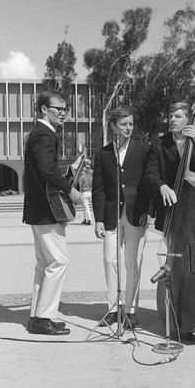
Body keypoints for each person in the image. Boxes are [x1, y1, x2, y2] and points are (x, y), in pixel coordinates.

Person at [23, 91, 81, 336]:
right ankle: (43, 317)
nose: (63, 113)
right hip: (47, 209)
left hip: (38, 208)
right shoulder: (45, 135)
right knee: (59, 261)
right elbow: (47, 170)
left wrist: (70, 169)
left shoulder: (38, 134)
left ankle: (38, 315)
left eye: (65, 109)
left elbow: (43, 170)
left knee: (44, 263)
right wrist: (71, 189)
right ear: (44, 109)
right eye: (59, 108)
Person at [92, 107, 151, 329]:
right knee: (110, 260)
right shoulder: (102, 154)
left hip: (136, 213)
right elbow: (98, 190)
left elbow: (149, 182)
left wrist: (148, 211)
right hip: (110, 214)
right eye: (124, 124)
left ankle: (130, 310)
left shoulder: (144, 150)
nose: (128, 128)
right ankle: (113, 308)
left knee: (133, 262)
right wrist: (98, 219)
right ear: (113, 126)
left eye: (131, 124)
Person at [145, 101, 195, 232]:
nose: (172, 120)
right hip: (170, 211)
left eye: (178, 116)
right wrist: (161, 186)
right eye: (171, 116)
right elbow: (150, 173)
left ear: (188, 119)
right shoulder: (159, 144)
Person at [78, 159, 93, 225]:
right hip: (90, 192)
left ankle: (89, 219)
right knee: (86, 207)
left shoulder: (82, 176)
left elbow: (79, 185)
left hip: (84, 192)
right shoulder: (91, 177)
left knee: (86, 207)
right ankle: (85, 219)